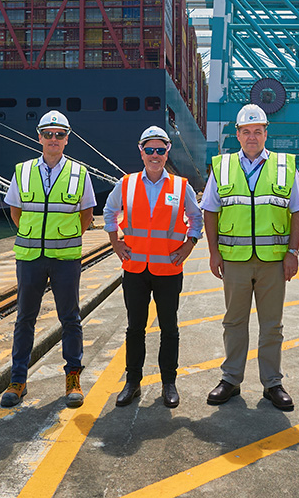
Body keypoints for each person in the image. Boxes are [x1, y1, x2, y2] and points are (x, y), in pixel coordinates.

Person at [200, 104, 299, 411]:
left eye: (258, 131)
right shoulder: (222, 167)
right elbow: (210, 210)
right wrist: (213, 252)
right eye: (246, 131)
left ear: (266, 133)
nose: (252, 137)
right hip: (234, 259)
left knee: (272, 325)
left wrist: (292, 251)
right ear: (237, 134)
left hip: (273, 260)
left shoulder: (284, 165)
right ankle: (231, 379)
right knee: (233, 321)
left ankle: (272, 383)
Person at [0, 110, 97, 409]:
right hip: (30, 256)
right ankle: (18, 380)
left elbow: (86, 215)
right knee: (24, 318)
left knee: (70, 318)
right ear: (39, 137)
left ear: (68, 139)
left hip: (65, 257)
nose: (53, 139)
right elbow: (15, 211)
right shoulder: (23, 170)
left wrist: (60, 236)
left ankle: (73, 378)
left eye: (59, 135)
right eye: (48, 134)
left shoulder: (80, 173)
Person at [103, 125, 204, 409]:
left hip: (168, 271)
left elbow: (195, 218)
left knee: (169, 328)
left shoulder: (180, 186)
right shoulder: (127, 184)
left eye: (161, 150)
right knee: (135, 328)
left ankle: (168, 383)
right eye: (150, 150)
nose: (155, 155)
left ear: (167, 151)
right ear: (141, 151)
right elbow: (109, 212)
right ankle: (132, 382)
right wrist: (115, 243)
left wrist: (189, 244)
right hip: (135, 269)